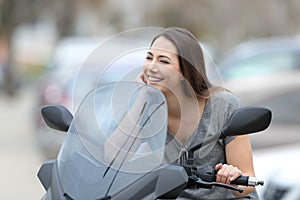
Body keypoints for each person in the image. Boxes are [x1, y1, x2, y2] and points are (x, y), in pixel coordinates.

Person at [134, 27, 259, 199]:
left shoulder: (222, 105)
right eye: (149, 58)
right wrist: (142, 98)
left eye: (163, 61)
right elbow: (110, 156)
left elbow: (248, 179)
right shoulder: (150, 110)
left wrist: (232, 177)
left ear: (185, 71)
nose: (152, 67)